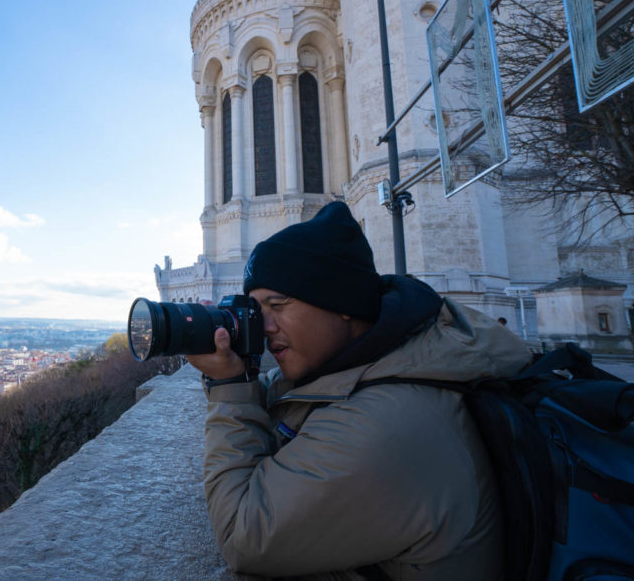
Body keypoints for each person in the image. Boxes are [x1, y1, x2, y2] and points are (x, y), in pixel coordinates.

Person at [185, 201, 531, 580]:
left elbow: (242, 538)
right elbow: (282, 396)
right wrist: (236, 368)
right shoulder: (375, 361)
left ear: (341, 302)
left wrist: (228, 386)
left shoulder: (386, 423)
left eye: (277, 305)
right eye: (255, 310)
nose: (263, 326)